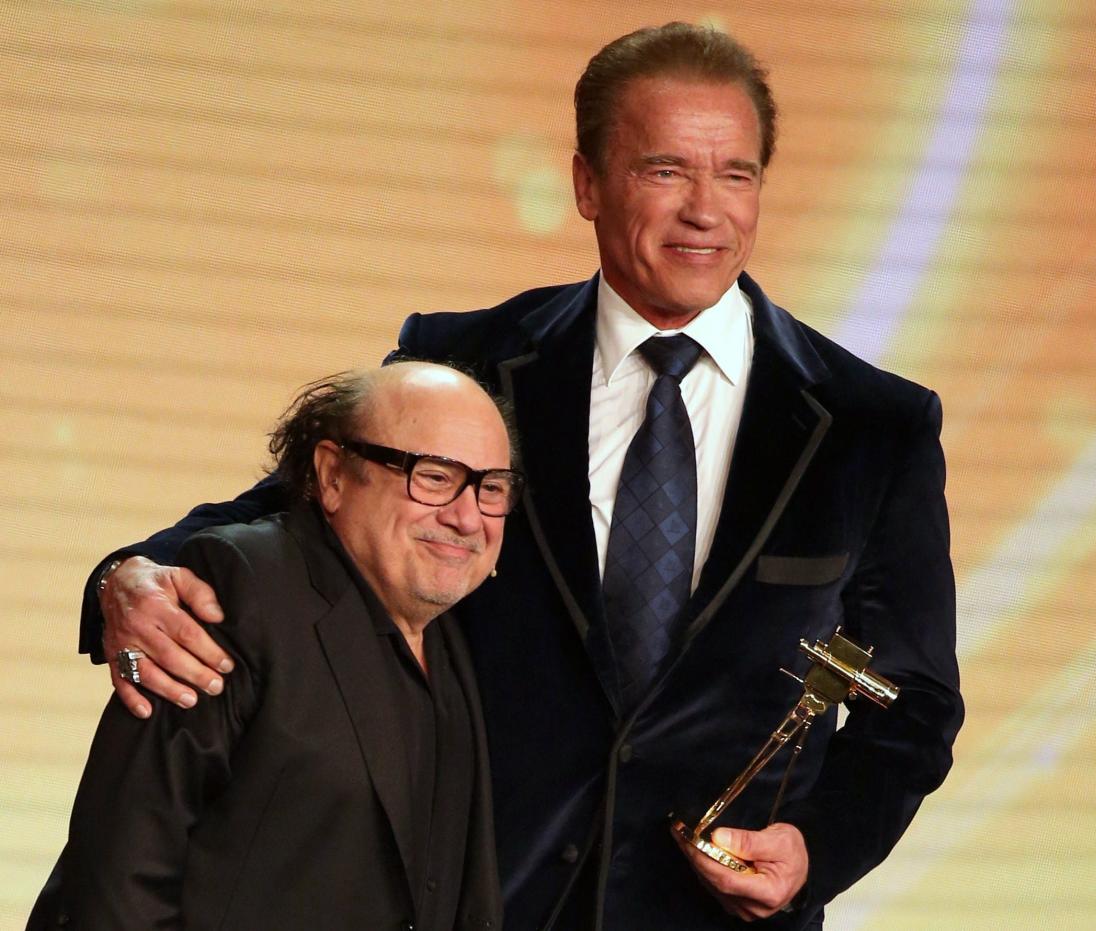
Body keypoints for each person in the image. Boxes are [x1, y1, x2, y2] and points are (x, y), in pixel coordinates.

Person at [74, 23, 964, 931]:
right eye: (665, 170)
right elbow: (297, 509)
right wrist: (127, 576)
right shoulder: (466, 362)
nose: (707, 210)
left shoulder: (873, 427)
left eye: (735, 174)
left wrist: (817, 845)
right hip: (477, 902)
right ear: (587, 183)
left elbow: (918, 705)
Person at [33, 362, 514, 930]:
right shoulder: (238, 587)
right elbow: (119, 875)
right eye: (434, 476)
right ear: (332, 475)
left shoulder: (454, 638)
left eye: (492, 488)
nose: (466, 516)